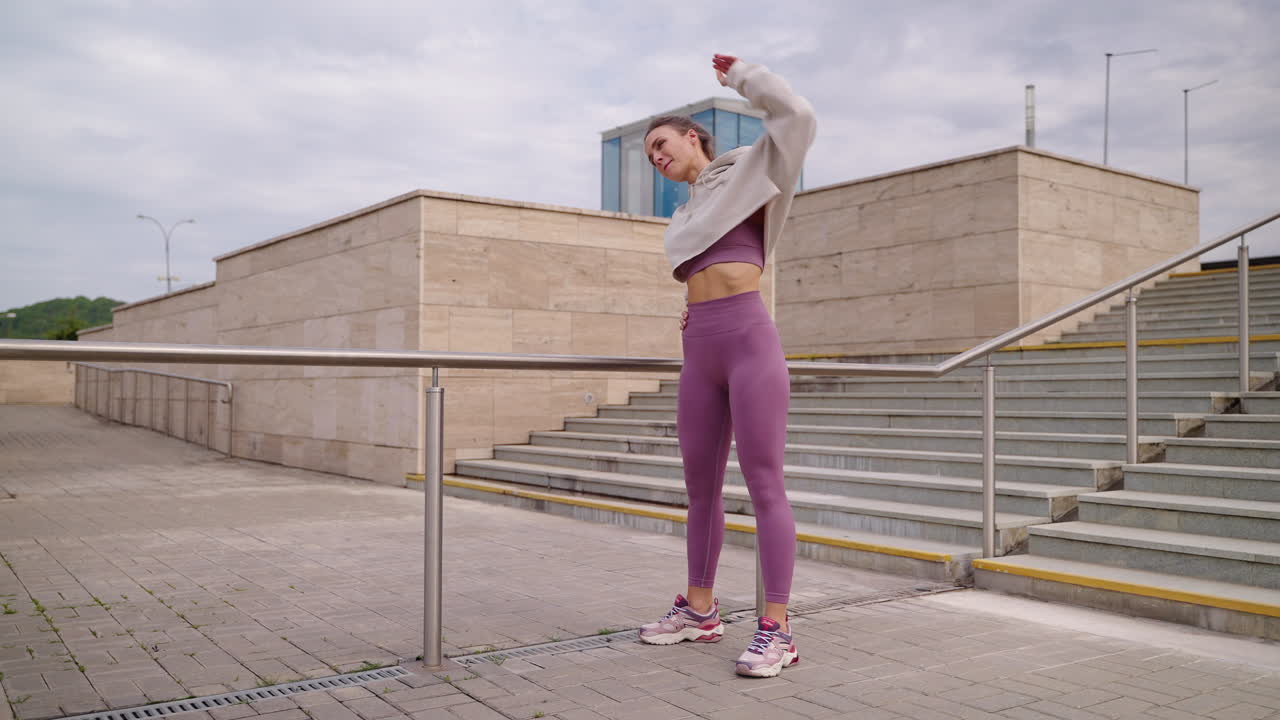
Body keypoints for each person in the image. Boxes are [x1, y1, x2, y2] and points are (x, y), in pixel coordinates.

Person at [636, 53, 816, 679]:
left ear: (693, 136)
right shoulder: (681, 217)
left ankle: (778, 627)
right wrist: (692, 316)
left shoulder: (750, 169)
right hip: (700, 351)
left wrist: (743, 76)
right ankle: (701, 610)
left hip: (748, 338)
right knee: (700, 489)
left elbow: (797, 115)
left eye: (661, 144)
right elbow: (699, 272)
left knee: (764, 480)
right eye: (648, 156)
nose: (656, 157)